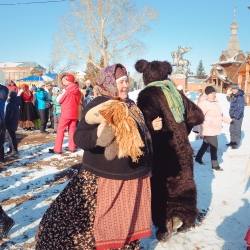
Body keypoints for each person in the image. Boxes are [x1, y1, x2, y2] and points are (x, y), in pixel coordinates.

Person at [36, 64, 154, 249]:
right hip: (105, 180)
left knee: (126, 225)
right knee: (94, 229)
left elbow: (138, 136)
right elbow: (79, 137)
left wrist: (150, 127)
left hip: (133, 178)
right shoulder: (99, 104)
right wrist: (97, 135)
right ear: (109, 83)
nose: (125, 86)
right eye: (120, 82)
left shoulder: (130, 105)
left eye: (126, 81)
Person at [135, 59, 204, 242]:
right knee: (183, 183)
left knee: (162, 186)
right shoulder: (175, 92)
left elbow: (144, 121)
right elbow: (196, 115)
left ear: (145, 74)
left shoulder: (147, 94)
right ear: (166, 73)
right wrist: (182, 132)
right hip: (183, 150)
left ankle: (164, 223)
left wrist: (153, 127)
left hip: (162, 150)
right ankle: (183, 217)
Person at [195, 86, 232, 171]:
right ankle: (215, 165)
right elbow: (198, 116)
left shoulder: (215, 102)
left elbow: (220, 115)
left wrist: (229, 121)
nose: (214, 94)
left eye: (215, 93)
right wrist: (196, 128)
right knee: (214, 146)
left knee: (205, 144)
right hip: (208, 128)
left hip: (214, 128)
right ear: (207, 94)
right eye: (212, 93)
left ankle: (198, 158)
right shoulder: (203, 103)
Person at [48, 74, 81, 153]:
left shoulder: (66, 90)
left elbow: (59, 100)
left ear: (68, 81)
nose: (63, 82)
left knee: (60, 130)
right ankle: (72, 147)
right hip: (74, 112)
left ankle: (57, 149)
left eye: (64, 80)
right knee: (72, 130)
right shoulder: (78, 90)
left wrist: (59, 94)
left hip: (66, 112)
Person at [226, 84, 245, 149]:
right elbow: (230, 101)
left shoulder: (240, 96)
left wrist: (237, 117)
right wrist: (227, 95)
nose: (233, 90)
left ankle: (236, 144)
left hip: (238, 117)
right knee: (231, 130)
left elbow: (241, 108)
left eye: (234, 89)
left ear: (237, 89)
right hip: (233, 116)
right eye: (232, 89)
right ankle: (232, 142)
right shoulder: (233, 96)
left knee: (237, 130)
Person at [5, 91, 22, 157]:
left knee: (11, 137)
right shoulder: (15, 102)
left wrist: (5, 122)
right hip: (14, 121)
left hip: (10, 122)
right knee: (9, 136)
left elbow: (9, 115)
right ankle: (12, 149)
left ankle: (14, 151)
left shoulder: (11, 104)